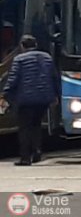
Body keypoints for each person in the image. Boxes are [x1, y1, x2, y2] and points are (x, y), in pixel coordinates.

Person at [0, 34, 60, 166]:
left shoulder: (19, 59)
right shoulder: (47, 57)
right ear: (36, 45)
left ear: (22, 46)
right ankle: (37, 150)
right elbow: (55, 77)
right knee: (36, 125)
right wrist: (56, 95)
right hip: (44, 98)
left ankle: (25, 158)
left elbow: (13, 79)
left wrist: (4, 94)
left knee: (25, 128)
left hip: (26, 99)